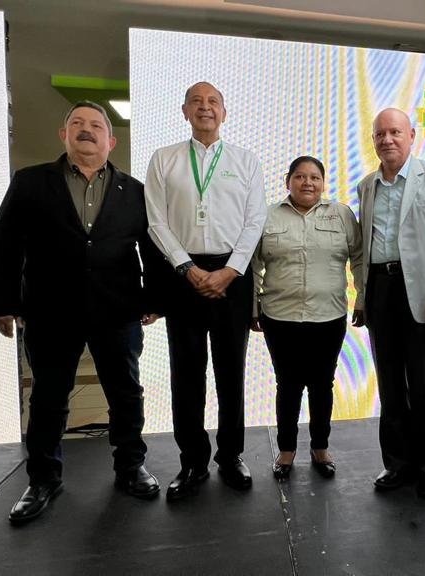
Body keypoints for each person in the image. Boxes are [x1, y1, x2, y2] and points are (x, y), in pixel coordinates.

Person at [0, 101, 167, 524]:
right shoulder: (31, 183)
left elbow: (152, 249)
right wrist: (3, 304)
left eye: (96, 126)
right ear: (63, 134)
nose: (87, 130)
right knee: (49, 397)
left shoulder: (135, 191)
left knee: (126, 394)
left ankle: (130, 467)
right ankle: (43, 479)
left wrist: (155, 300)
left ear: (111, 140)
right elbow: (5, 245)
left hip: (118, 309)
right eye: (77, 124)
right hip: (50, 310)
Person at [144, 82, 266, 500]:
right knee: (187, 372)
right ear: (184, 111)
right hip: (184, 274)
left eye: (213, 101)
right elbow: (156, 221)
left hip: (233, 274)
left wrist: (231, 270)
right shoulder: (165, 159)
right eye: (197, 102)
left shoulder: (245, 161)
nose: (205, 108)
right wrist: (187, 267)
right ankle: (193, 461)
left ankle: (231, 455)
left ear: (224, 112)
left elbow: (255, 221)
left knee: (231, 371)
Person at [354, 108, 425, 498]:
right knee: (389, 383)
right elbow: (364, 249)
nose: (387, 139)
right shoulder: (366, 185)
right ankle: (397, 464)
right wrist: (363, 296)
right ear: (373, 140)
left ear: (412, 135)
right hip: (381, 291)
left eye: (395, 132)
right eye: (380, 133)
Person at [251, 156, 363, 481]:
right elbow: (254, 264)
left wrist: (364, 297)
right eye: (300, 176)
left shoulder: (341, 214)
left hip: (328, 317)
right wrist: (254, 308)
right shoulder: (267, 216)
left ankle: (320, 448)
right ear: (288, 181)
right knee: (287, 384)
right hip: (279, 317)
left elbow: (358, 257)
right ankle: (286, 451)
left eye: (314, 177)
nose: (307, 183)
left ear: (323, 182)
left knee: (321, 384)